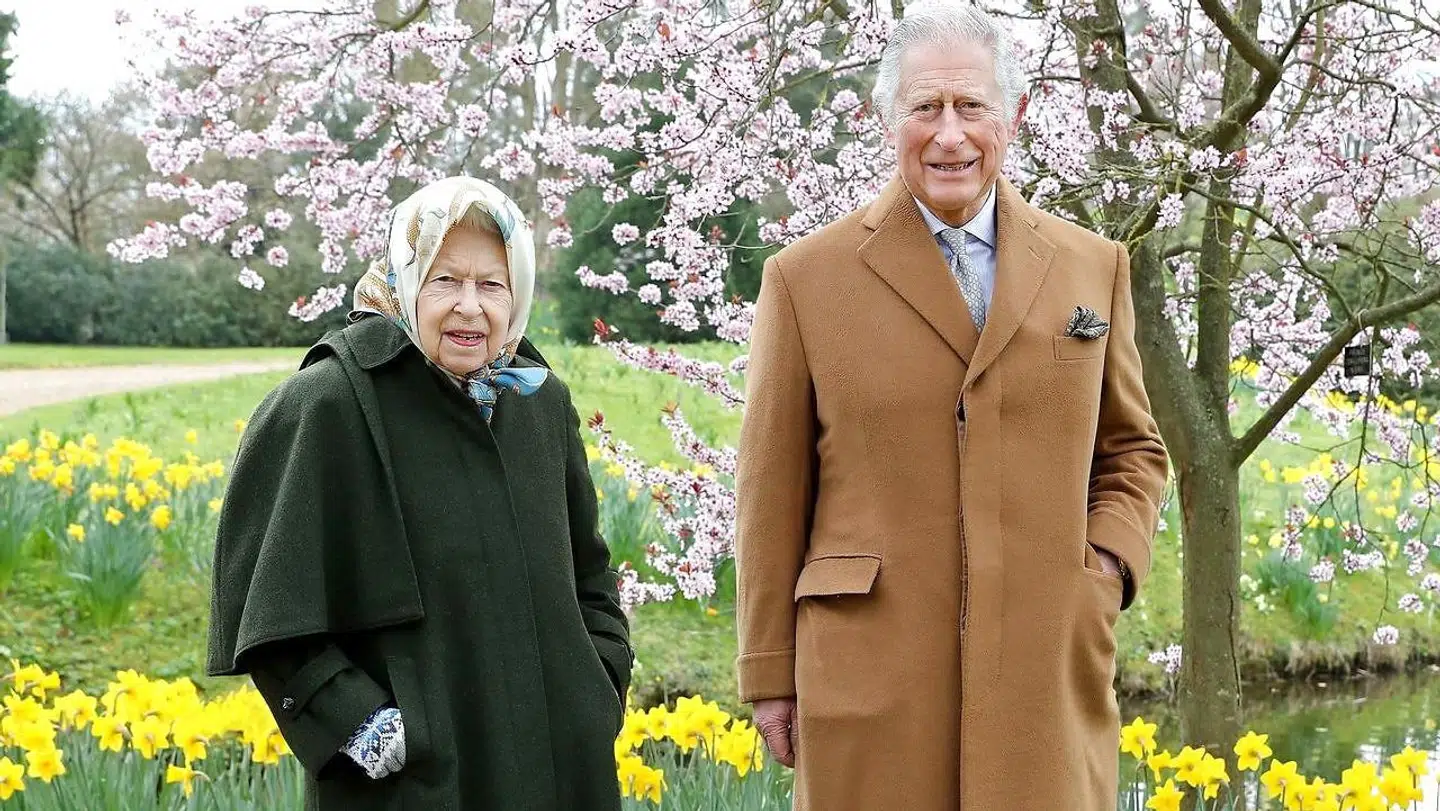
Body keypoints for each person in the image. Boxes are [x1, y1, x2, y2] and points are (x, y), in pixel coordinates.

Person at [733, 3, 1169, 810]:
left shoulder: (1092, 267)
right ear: (886, 120)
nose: (949, 135)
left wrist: (1102, 568)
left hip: (1046, 666)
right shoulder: (804, 280)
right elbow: (769, 489)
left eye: (971, 106)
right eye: (924, 108)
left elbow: (1134, 451)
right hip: (872, 671)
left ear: (1015, 116)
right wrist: (767, 670)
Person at [207, 176, 632, 810]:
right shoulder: (328, 403)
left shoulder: (538, 400)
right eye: (445, 281)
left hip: (561, 767)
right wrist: (358, 723)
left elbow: (588, 573)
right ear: (406, 279)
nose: (471, 307)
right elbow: (266, 608)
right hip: (414, 785)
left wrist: (598, 681)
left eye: (492, 284)